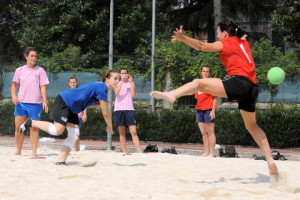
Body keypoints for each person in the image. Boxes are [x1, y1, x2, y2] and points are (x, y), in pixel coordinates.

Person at [150, 20, 278, 177]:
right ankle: (270, 160)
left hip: (240, 81)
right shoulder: (244, 44)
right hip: (253, 88)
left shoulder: (227, 43)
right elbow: (241, 41)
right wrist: (241, 37)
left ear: (225, 33)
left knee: (199, 83)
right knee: (252, 126)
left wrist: (183, 38)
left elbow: (201, 46)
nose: (217, 35)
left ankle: (172, 94)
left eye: (218, 32)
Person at [19, 69, 119, 164]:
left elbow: (85, 99)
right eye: (115, 78)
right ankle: (31, 122)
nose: (117, 81)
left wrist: (97, 104)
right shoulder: (102, 88)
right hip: (64, 101)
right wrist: (109, 125)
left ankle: (61, 161)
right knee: (57, 131)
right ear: (107, 79)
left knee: (74, 134)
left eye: (118, 79)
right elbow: (105, 113)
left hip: (72, 108)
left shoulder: (101, 87)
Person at [11, 47, 49, 156]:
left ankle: (33, 152)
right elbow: (14, 85)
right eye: (32, 56)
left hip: (35, 104)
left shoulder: (40, 70)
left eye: (35, 56)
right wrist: (14, 96)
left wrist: (45, 101)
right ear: (26, 56)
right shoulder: (19, 70)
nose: (34, 58)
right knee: (18, 128)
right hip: (21, 103)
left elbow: (43, 87)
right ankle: (18, 150)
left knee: (34, 129)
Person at [114, 68, 142, 153]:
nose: (124, 75)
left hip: (129, 109)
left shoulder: (131, 83)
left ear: (128, 74)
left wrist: (130, 82)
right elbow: (116, 92)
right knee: (122, 132)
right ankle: (124, 152)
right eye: (122, 73)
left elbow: (133, 94)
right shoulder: (117, 83)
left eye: (125, 73)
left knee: (133, 132)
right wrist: (121, 81)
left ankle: (139, 151)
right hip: (119, 109)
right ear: (120, 74)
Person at [195, 65, 217, 157]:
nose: (205, 73)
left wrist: (213, 111)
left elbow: (215, 98)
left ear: (209, 73)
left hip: (208, 110)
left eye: (207, 71)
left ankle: (211, 153)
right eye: (204, 71)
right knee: (204, 132)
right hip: (199, 110)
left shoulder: (211, 84)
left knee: (210, 132)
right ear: (201, 73)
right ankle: (206, 152)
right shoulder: (198, 84)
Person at [68, 76, 87, 151]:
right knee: (71, 133)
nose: (73, 84)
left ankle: (77, 149)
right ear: (69, 84)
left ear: (77, 83)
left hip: (78, 116)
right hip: (69, 116)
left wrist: (85, 114)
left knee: (75, 133)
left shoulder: (80, 92)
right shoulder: (68, 93)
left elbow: (84, 104)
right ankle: (74, 147)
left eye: (74, 82)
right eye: (71, 82)